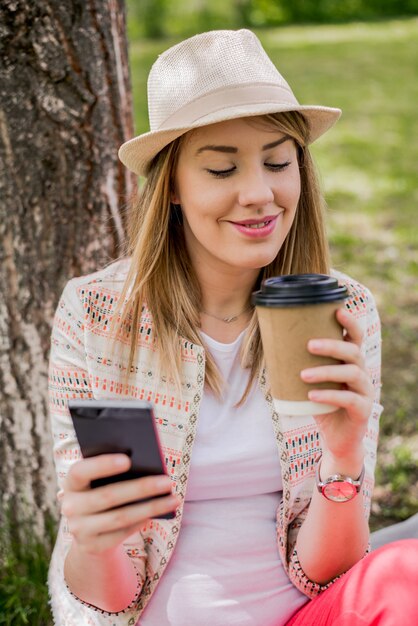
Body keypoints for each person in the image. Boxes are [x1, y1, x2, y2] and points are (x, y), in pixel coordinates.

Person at [47, 29, 418, 626]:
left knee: (407, 571)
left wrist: (344, 458)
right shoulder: (100, 317)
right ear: (170, 184)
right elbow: (108, 597)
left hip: (308, 613)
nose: (259, 194)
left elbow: (330, 571)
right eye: (222, 168)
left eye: (278, 162)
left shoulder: (341, 308)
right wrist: (94, 540)